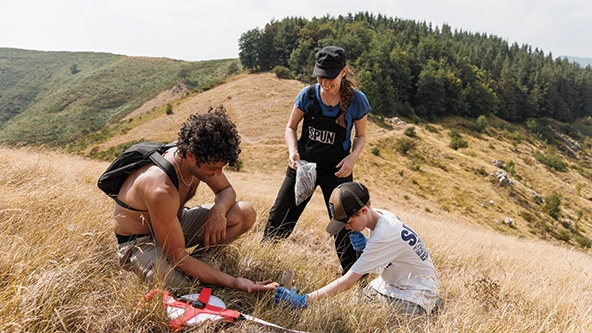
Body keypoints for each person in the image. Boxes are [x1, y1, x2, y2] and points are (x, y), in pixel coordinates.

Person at [112, 106, 278, 292]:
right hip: (140, 243)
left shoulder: (199, 157)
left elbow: (226, 190)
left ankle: (200, 263)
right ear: (190, 155)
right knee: (186, 291)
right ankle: (192, 273)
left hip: (174, 222)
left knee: (244, 213)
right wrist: (233, 282)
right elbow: (177, 256)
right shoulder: (161, 189)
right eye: (213, 169)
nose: (217, 174)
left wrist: (218, 211)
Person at [262, 46, 372, 274]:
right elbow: (290, 127)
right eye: (320, 76)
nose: (325, 82)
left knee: (345, 223)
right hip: (304, 167)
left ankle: (354, 278)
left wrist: (352, 158)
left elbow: (360, 136)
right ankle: (262, 261)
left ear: (343, 72)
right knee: (280, 214)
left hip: (338, 171)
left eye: (330, 77)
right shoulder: (307, 95)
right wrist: (292, 151)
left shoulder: (357, 100)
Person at [275, 182, 441, 323]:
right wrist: (367, 247)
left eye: (347, 222)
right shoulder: (381, 216)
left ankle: (429, 309)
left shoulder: (384, 232)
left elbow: (347, 282)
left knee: (374, 325)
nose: (346, 227)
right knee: (349, 313)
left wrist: (304, 300)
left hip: (415, 294)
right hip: (391, 284)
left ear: (363, 211)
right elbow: (391, 259)